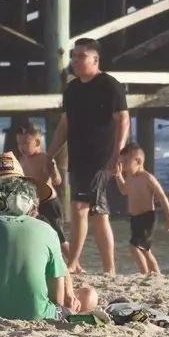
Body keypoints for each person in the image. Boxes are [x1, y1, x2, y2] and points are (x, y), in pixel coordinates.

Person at [0, 155, 98, 320]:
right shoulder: (44, 227)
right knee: (88, 297)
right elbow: (57, 296)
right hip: (37, 309)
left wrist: (68, 290)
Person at [49, 38, 129, 274]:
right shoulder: (72, 89)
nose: (75, 60)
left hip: (101, 156)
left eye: (81, 56)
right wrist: (50, 154)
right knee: (98, 214)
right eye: (74, 56)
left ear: (96, 59)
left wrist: (117, 152)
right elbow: (64, 125)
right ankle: (109, 269)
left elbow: (123, 120)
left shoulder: (109, 85)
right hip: (78, 157)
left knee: (79, 206)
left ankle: (72, 263)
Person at [117, 143, 169, 274]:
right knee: (145, 250)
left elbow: (162, 197)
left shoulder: (147, 178)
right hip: (135, 219)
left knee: (134, 247)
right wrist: (118, 175)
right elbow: (123, 190)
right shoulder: (131, 178)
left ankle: (144, 274)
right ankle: (156, 274)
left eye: (126, 162)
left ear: (138, 161)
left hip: (147, 217)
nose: (124, 166)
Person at [12, 121, 65, 239]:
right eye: (19, 144)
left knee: (58, 237)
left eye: (25, 143)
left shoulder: (44, 159)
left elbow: (58, 182)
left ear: (37, 142)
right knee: (36, 236)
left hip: (49, 203)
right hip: (33, 205)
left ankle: (73, 257)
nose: (21, 148)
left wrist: (54, 172)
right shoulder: (21, 160)